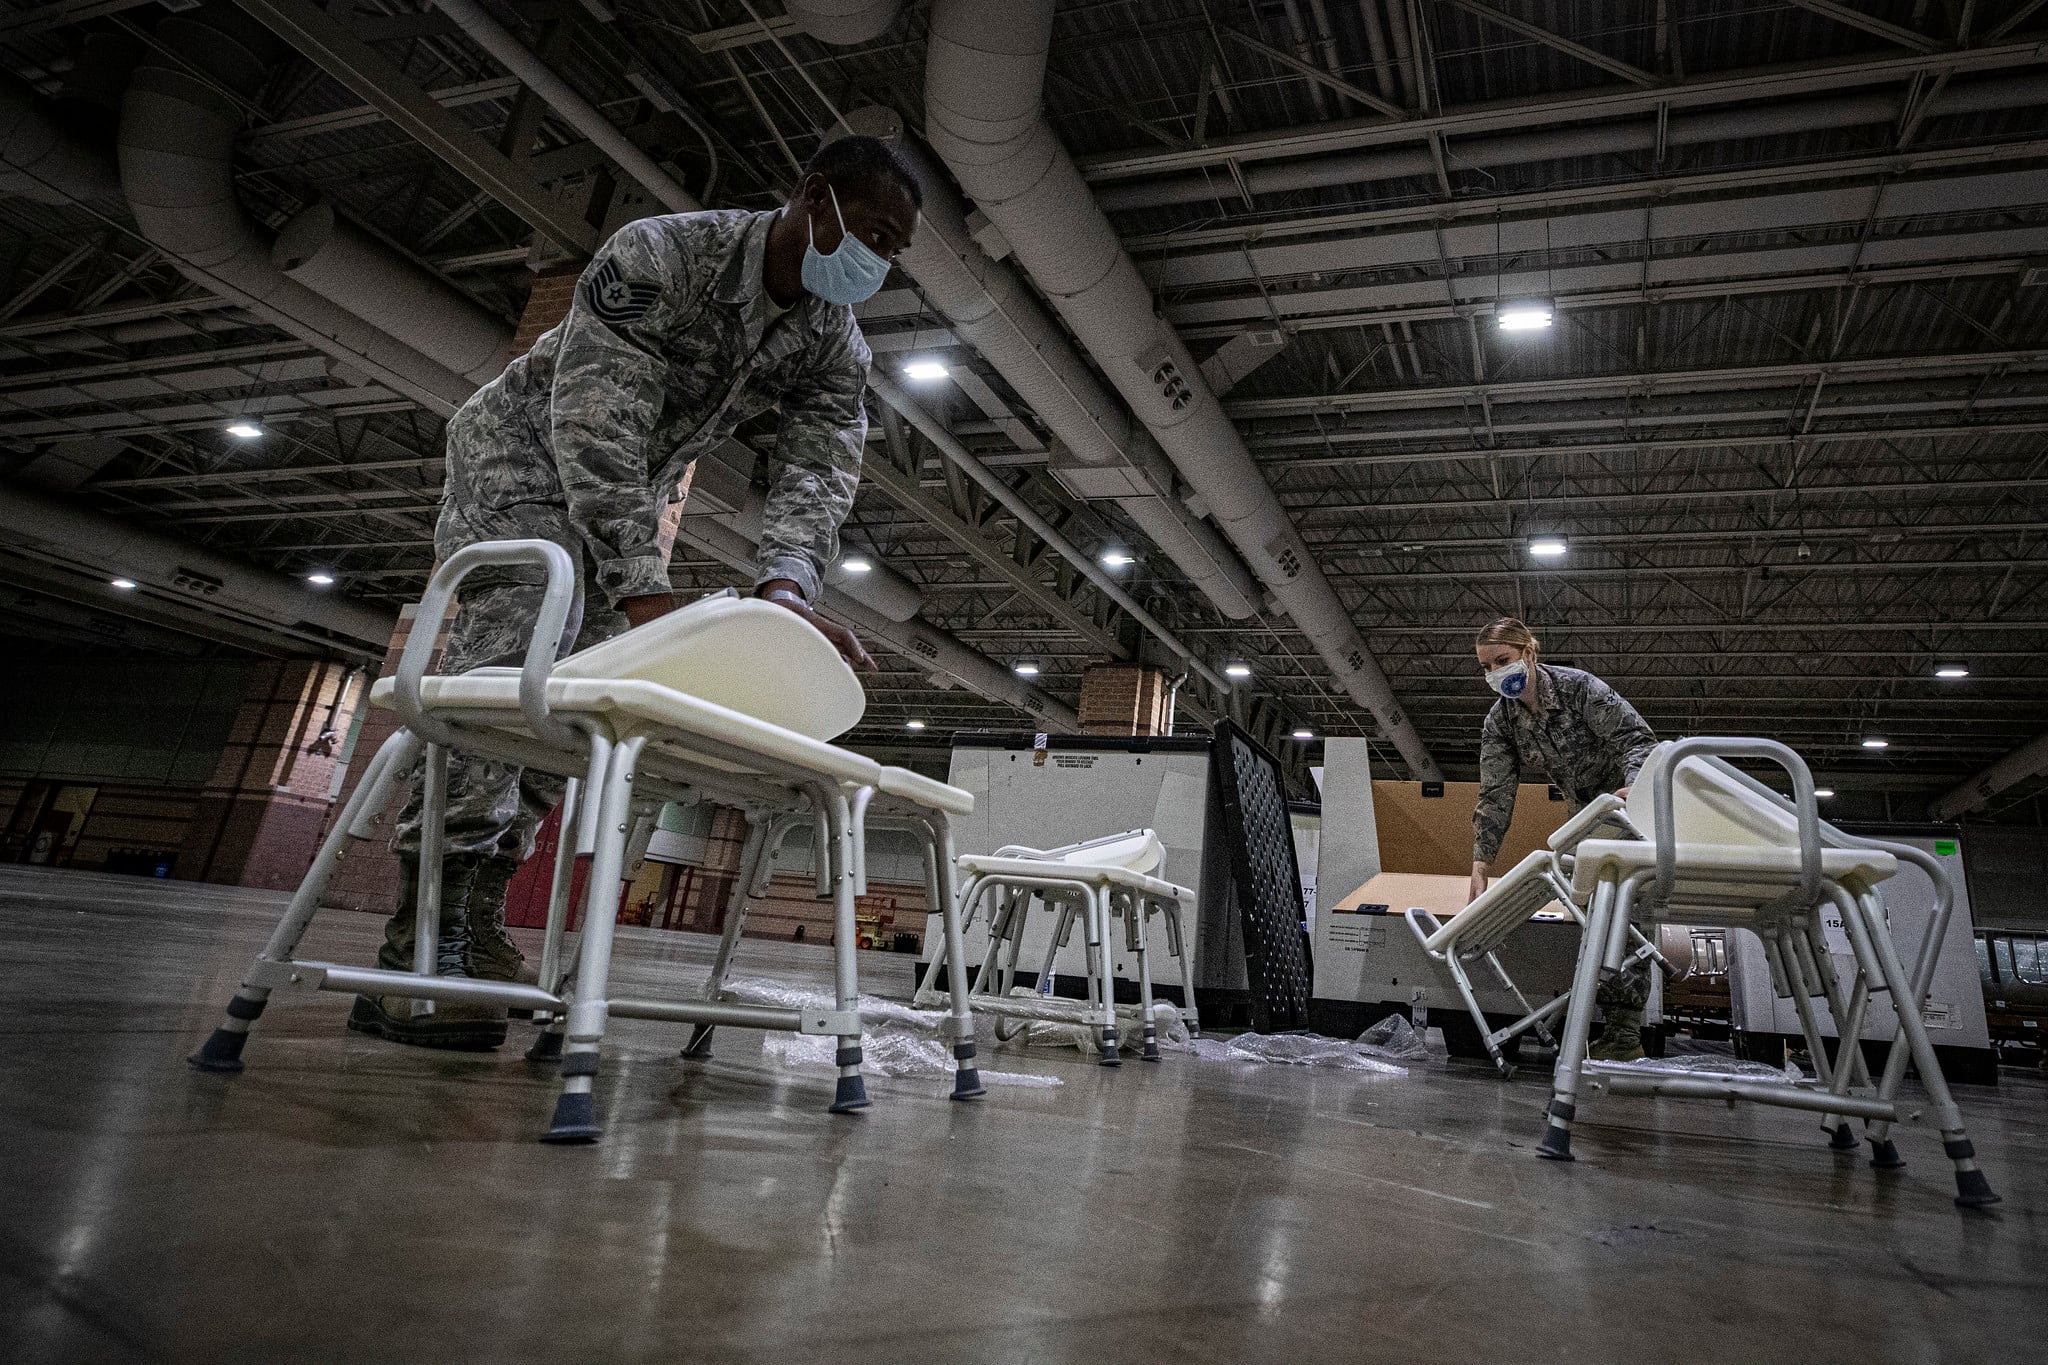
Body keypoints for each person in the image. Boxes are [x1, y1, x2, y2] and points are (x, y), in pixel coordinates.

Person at [348, 136, 920, 1050]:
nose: (878, 262)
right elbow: (595, 427)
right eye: (876, 233)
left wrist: (785, 590)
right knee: (521, 650)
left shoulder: (828, 339)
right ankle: (417, 947)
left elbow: (821, 470)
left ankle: (478, 908)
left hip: (629, 484)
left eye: (895, 251)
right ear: (815, 198)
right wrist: (641, 585)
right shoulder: (661, 255)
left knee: (580, 705)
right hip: (520, 458)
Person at [1466, 617, 1659, 1060]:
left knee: (1631, 912)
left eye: (1503, 660)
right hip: (1584, 817)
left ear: (1529, 653)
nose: (1495, 673)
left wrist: (1634, 788)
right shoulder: (1502, 721)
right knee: (1593, 918)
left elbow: (1638, 740)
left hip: (1629, 808)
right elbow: (1496, 792)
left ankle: (1625, 1036)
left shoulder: (1580, 689)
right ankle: (1606, 1027)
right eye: (1485, 667)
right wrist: (1481, 863)